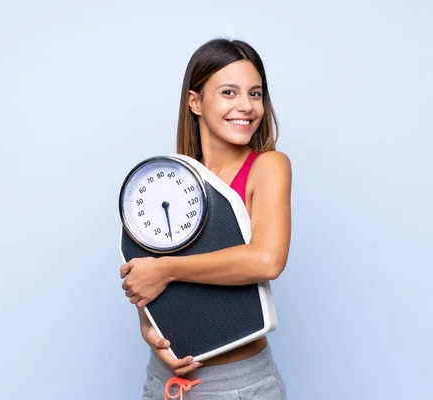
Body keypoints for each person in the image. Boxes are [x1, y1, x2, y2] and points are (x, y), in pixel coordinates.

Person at [120, 38, 292, 399]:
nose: (246, 106)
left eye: (255, 94)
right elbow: (142, 273)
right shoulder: (166, 180)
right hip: (166, 381)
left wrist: (166, 269)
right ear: (195, 102)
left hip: (240, 384)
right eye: (229, 92)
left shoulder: (268, 166)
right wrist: (149, 330)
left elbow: (267, 259)